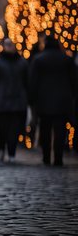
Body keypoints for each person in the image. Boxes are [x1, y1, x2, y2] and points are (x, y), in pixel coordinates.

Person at [30, 37, 77, 166]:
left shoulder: (38, 59)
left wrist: (32, 99)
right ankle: (58, 157)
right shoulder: (66, 59)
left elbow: (33, 81)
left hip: (43, 100)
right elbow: (74, 81)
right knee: (60, 130)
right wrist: (72, 95)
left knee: (45, 129)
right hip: (62, 100)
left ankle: (46, 156)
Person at [0, 39, 28, 162]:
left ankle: (11, 152)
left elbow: (27, 82)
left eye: (11, 45)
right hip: (2, 103)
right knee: (1, 130)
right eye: (7, 45)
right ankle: (0, 149)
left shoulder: (22, 63)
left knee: (14, 130)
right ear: (4, 46)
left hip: (17, 103)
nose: (10, 47)